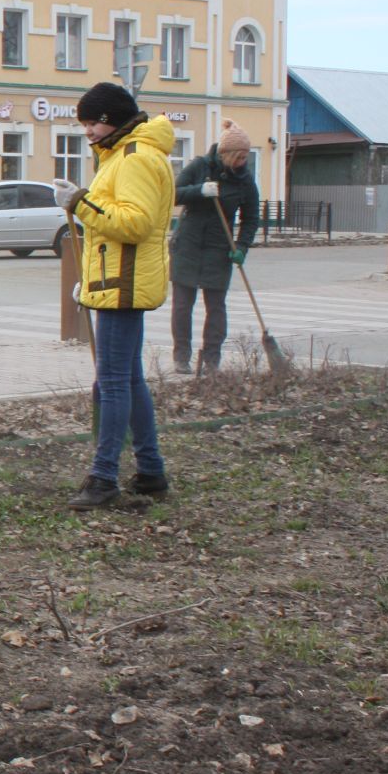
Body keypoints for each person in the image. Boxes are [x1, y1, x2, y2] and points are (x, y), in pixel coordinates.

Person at [56, 81, 176, 510]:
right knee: (129, 380)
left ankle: (104, 478)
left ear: (110, 121)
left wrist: (81, 203)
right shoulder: (125, 155)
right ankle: (151, 471)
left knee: (111, 383)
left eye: (91, 122)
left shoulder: (134, 160)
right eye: (85, 123)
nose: (87, 131)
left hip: (123, 286)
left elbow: (134, 224)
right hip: (116, 282)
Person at [169, 120, 259, 375]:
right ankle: (181, 357)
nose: (243, 162)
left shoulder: (244, 181)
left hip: (219, 248)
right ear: (225, 154)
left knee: (216, 307)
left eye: (245, 157)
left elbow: (251, 218)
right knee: (183, 305)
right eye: (239, 157)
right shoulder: (200, 166)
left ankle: (211, 360)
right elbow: (173, 193)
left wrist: (242, 246)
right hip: (187, 244)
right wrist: (199, 190)